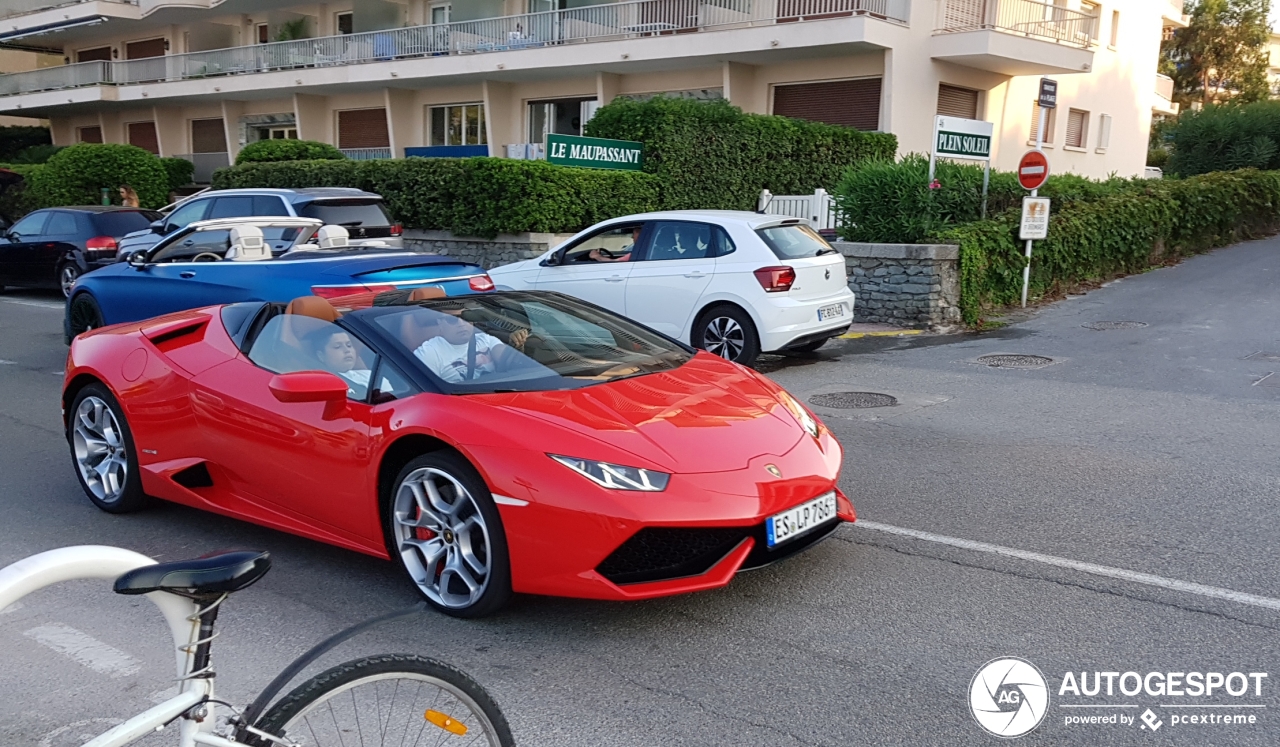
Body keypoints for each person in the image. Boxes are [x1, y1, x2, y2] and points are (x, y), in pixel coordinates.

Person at [413, 308, 529, 383]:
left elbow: (508, 358)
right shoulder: (429, 352)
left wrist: (517, 344)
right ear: (440, 323)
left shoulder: (485, 339)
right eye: (452, 320)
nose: (461, 324)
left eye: (466, 318)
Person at [310, 328, 377, 398]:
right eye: (337, 347)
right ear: (321, 356)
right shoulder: (323, 387)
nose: (347, 350)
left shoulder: (373, 376)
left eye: (349, 345)